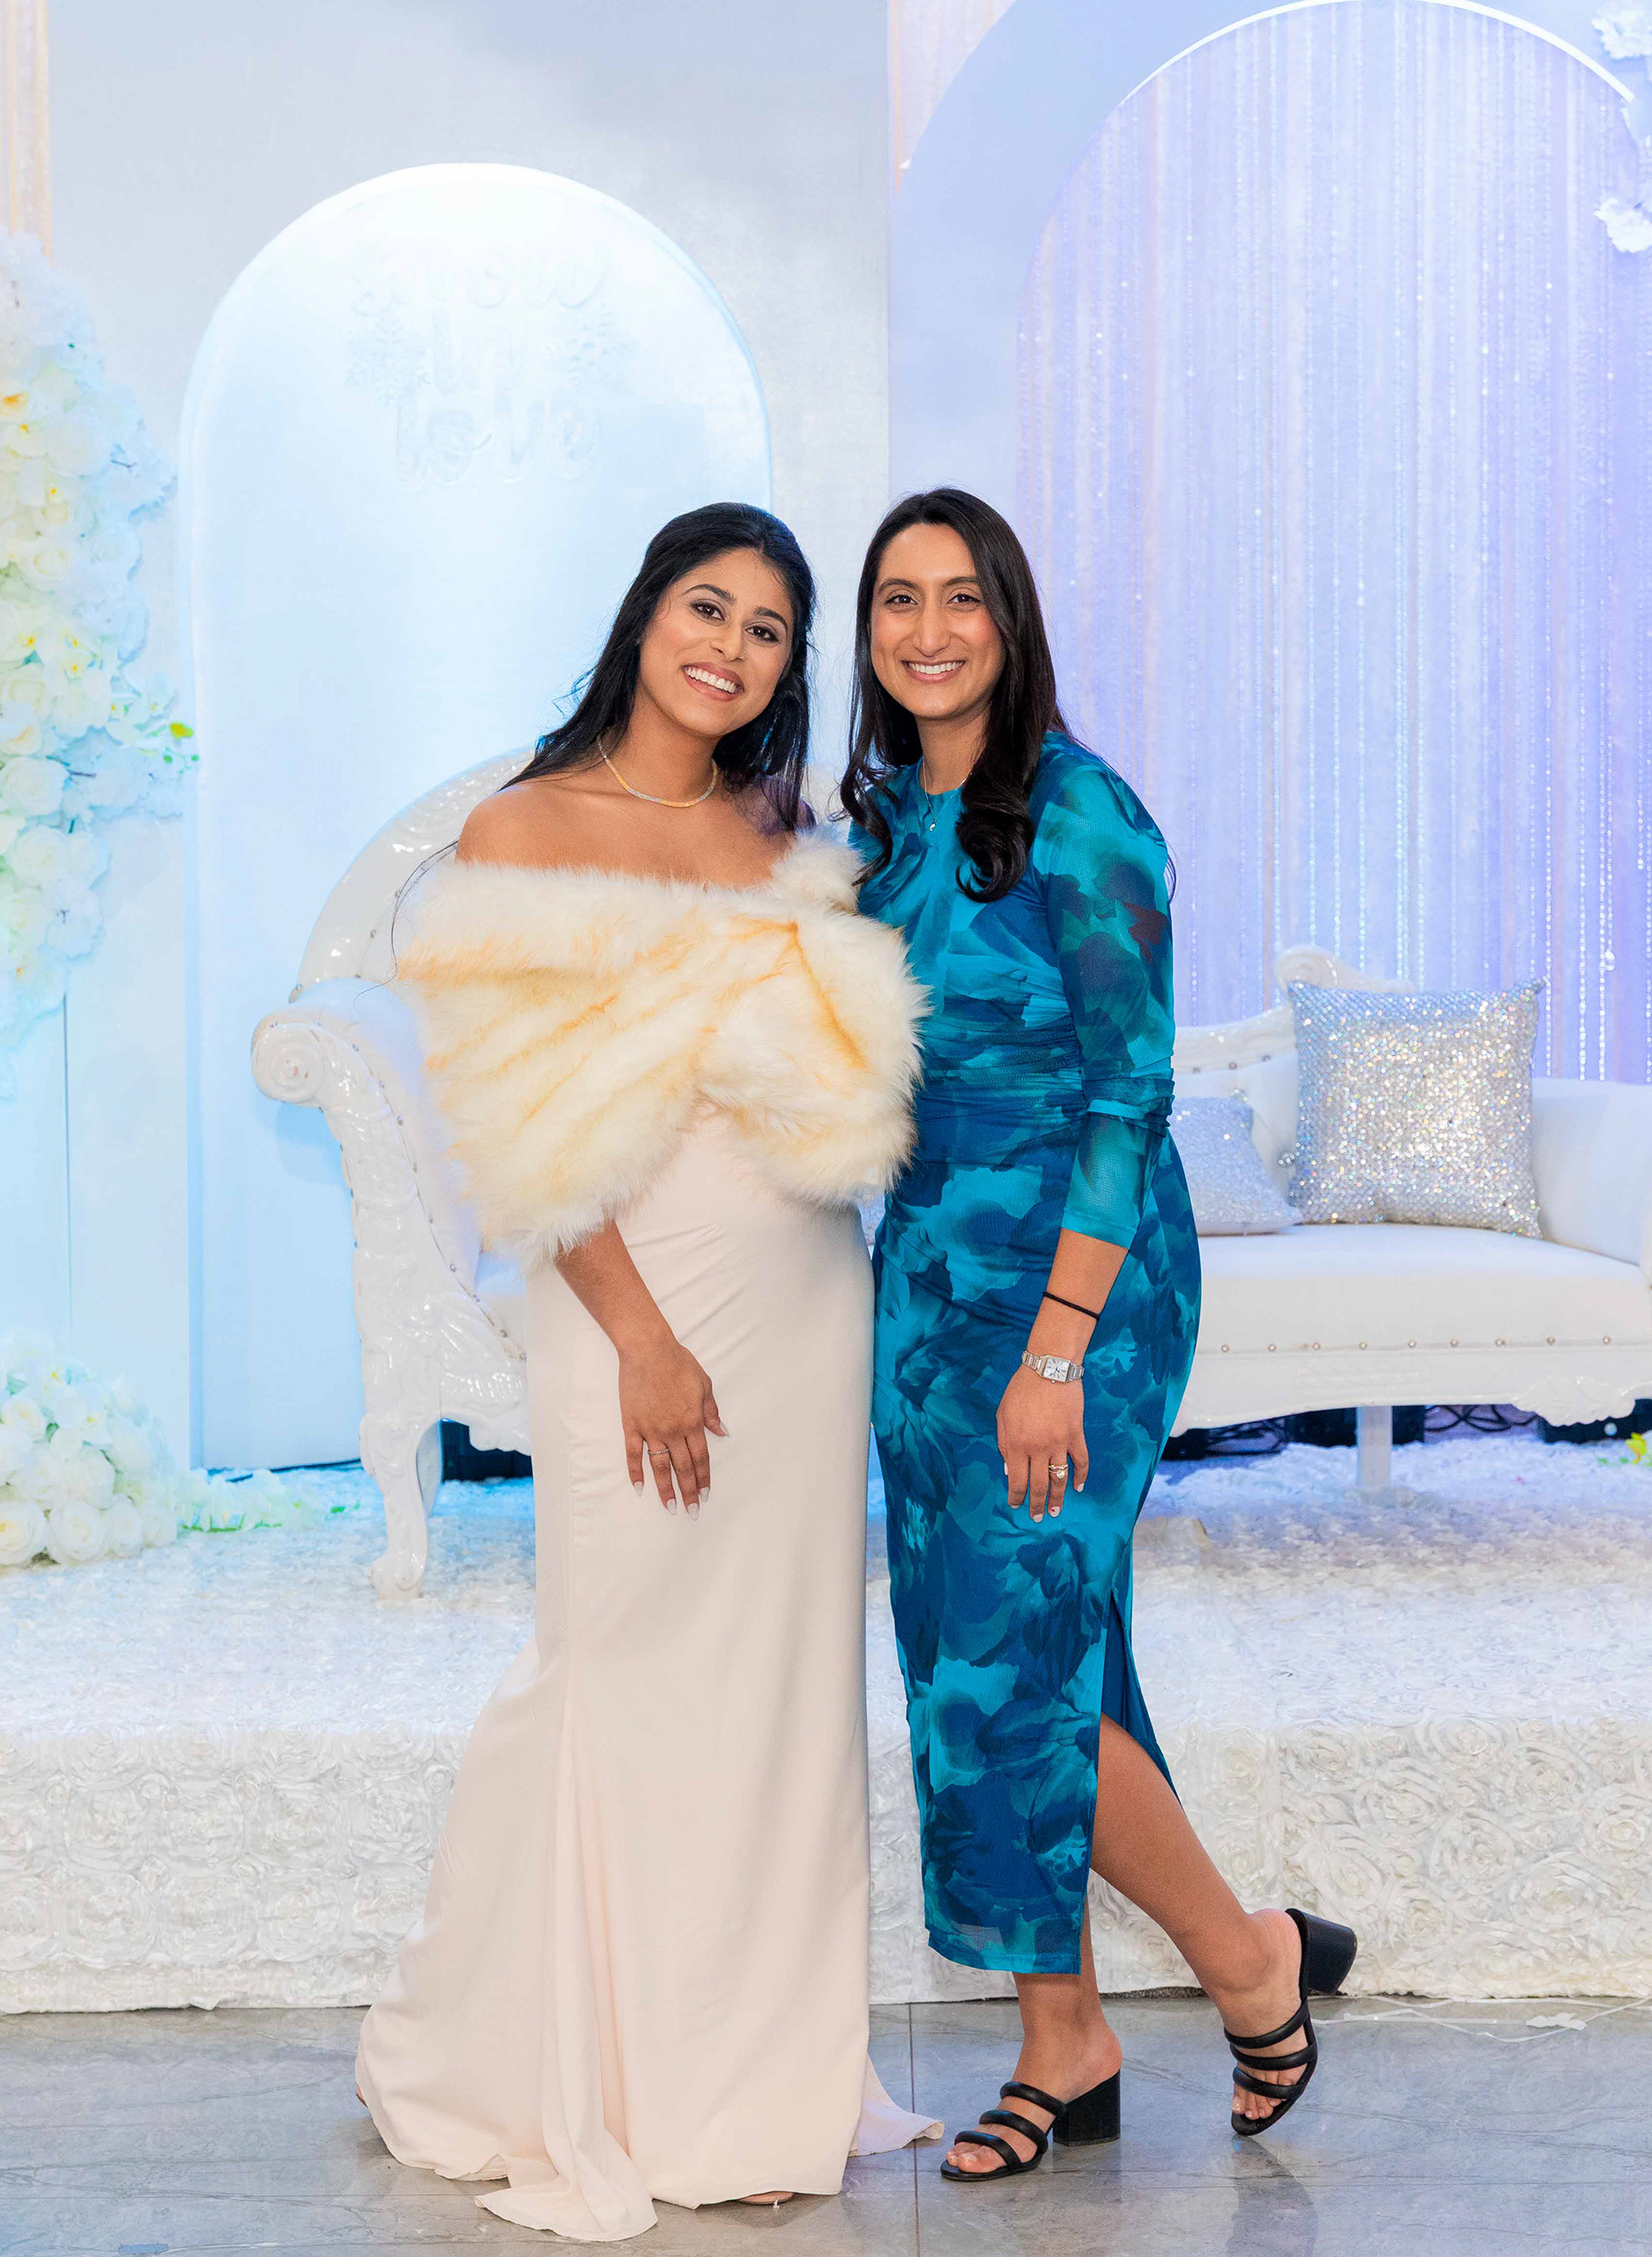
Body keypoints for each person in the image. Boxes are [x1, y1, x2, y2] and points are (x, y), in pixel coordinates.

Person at [354, 502, 939, 2239]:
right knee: (616, 1663)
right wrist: (642, 1339)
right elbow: (519, 1132)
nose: (731, 649)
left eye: (768, 629)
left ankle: (753, 2080)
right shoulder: (523, 828)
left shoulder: (786, 826)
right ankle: (564, 2065)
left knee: (780, 1695)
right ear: (644, 615)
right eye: (707, 608)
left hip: (805, 1300)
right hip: (636, 1307)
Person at [844, 487, 1355, 2183]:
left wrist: (1057, 1349)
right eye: (898, 599)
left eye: (962, 598)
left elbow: (1133, 1098)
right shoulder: (879, 825)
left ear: (1011, 621)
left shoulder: (1082, 813)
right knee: (983, 1659)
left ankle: (1250, 1964)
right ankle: (1064, 2039)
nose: (929, 630)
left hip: (1082, 1280)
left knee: (1015, 1670)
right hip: (930, 1282)